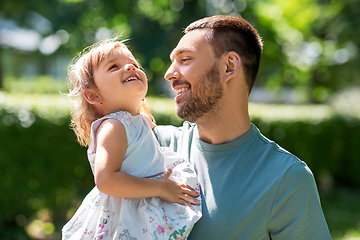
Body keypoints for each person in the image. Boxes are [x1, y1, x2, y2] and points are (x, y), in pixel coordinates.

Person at [154, 15, 332, 239]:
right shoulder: (156, 144)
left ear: (229, 66)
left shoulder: (286, 178)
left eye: (185, 59)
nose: (169, 73)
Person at [61, 38, 201, 240]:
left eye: (134, 64)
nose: (129, 67)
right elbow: (106, 180)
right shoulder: (114, 126)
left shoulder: (136, 121)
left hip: (140, 208)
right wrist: (161, 188)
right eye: (114, 67)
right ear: (93, 95)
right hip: (124, 217)